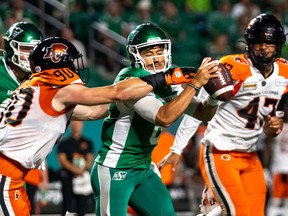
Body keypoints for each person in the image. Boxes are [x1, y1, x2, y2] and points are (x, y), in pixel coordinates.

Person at [0, 35, 213, 215]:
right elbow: (117, 93)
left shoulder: (36, 89)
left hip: (12, 172)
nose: (75, 68)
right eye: (70, 63)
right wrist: (168, 77)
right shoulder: (58, 89)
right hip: (6, 172)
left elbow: (94, 111)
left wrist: (127, 99)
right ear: (58, 65)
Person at [158, 13, 288, 215]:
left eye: (269, 43)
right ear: (249, 43)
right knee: (239, 211)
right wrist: (177, 149)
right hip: (220, 151)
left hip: (250, 154)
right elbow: (198, 110)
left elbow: (274, 120)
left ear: (278, 44)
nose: (263, 47)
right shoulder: (234, 67)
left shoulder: (284, 72)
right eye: (258, 42)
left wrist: (275, 126)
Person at [91, 23, 221, 216]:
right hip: (115, 168)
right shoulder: (132, 80)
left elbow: (203, 113)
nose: (156, 59)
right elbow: (164, 117)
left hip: (143, 168)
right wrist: (194, 84)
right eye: (148, 53)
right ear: (136, 56)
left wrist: (213, 94)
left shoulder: (168, 81)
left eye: (159, 51)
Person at [0, 21, 50, 214]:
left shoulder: (38, 79)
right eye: (26, 49)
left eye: (35, 50)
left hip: (19, 166)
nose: (31, 56)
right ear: (11, 48)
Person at [57, 121, 94, 216]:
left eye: (78, 123)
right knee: (68, 206)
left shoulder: (87, 142)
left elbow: (90, 158)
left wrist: (83, 169)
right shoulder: (64, 143)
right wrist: (74, 169)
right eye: (74, 123)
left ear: (82, 125)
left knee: (82, 207)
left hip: (82, 178)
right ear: (70, 126)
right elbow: (62, 159)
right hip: (68, 178)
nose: (76, 126)